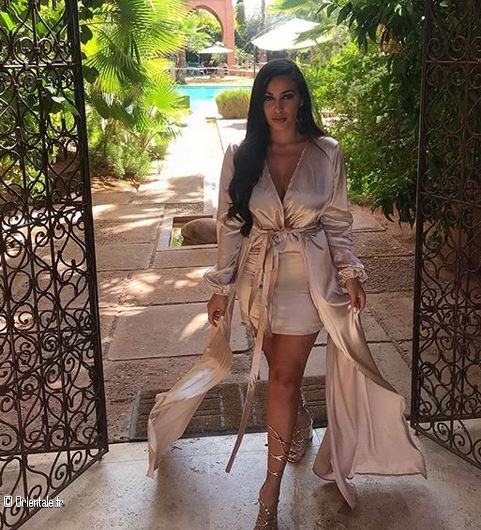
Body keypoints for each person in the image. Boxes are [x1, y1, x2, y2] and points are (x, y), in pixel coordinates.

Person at [147, 58, 426, 529]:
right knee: (281, 371)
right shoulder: (241, 153)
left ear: (301, 101)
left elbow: (337, 220)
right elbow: (230, 224)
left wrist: (350, 273)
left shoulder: (326, 152)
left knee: (281, 378)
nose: (278, 108)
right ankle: (298, 420)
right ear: (260, 104)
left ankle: (269, 492)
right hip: (258, 278)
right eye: (269, 98)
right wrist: (221, 288)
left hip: (308, 279)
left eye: (287, 97)